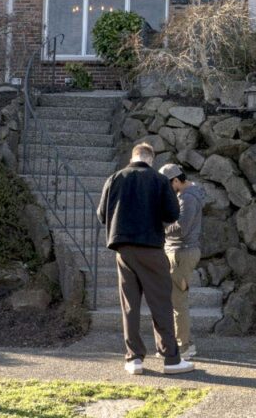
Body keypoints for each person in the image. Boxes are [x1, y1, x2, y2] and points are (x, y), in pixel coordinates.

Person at [97, 143, 195, 375]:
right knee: (160, 303)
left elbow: (102, 215)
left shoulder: (114, 178)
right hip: (151, 248)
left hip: (123, 249)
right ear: (151, 159)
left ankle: (134, 359)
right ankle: (171, 359)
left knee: (130, 305)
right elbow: (172, 214)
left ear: (133, 157)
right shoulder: (159, 180)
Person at [159, 163, 204, 360]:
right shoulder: (188, 195)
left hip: (181, 253)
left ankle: (183, 347)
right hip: (181, 252)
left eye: (168, 185)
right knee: (177, 300)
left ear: (176, 180)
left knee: (178, 302)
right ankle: (186, 343)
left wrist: (159, 225)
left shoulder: (188, 198)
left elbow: (181, 229)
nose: (167, 190)